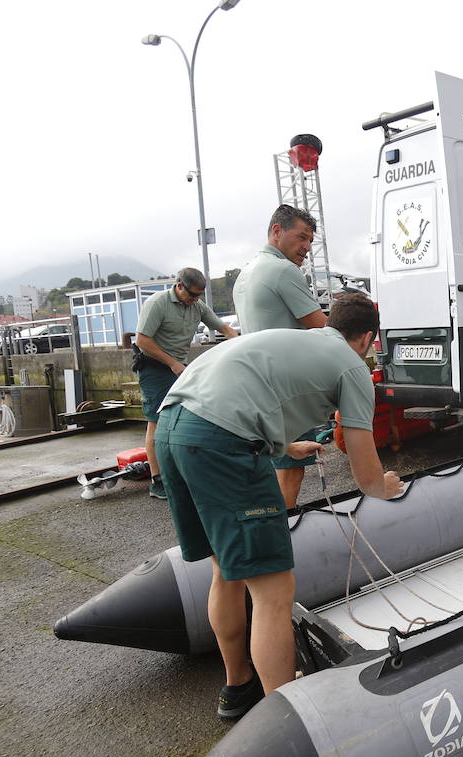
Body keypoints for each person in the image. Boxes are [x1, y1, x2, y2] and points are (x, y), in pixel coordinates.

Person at [154, 294, 404, 720]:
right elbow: (365, 471)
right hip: (220, 442)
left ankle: (238, 687)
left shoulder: (296, 340)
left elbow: (239, 392)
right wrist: (385, 486)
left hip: (172, 430)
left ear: (328, 322)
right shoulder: (352, 366)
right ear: (367, 338)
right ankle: (283, 720)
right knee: (273, 594)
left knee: (225, 571)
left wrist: (284, 446)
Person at [234, 205, 328, 509]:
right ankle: (281, 531)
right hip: (285, 387)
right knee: (291, 467)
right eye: (302, 238)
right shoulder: (284, 270)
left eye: (310, 241)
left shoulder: (245, 273)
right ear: (277, 231)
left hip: (254, 383)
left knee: (271, 463)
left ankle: (270, 522)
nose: (307, 248)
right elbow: (322, 328)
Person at [134, 268, 237, 499]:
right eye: (192, 295)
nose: (195, 300)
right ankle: (157, 481)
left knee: (184, 417)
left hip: (178, 367)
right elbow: (142, 340)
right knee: (156, 422)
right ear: (179, 286)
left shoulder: (196, 305)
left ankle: (178, 471)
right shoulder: (158, 303)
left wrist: (240, 342)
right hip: (154, 367)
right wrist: (172, 363)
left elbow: (223, 327)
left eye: (199, 296)